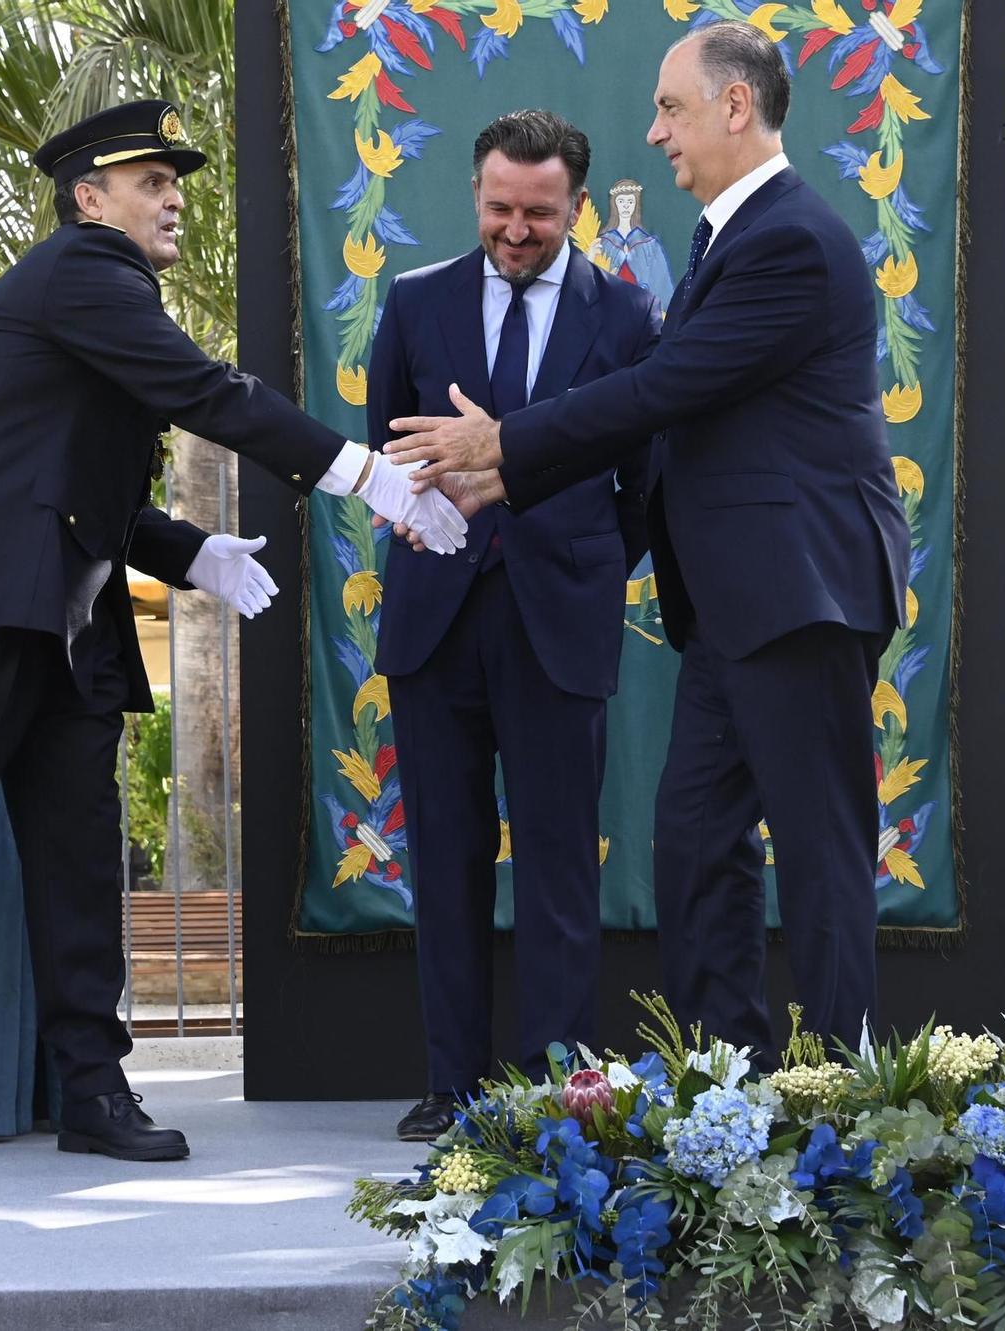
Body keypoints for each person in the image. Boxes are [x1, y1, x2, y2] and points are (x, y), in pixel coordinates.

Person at [0, 99, 466, 1170]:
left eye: (175, 185)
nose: (172, 201)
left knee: (77, 864)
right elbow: (207, 392)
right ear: (87, 198)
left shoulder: (93, 297)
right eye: (151, 182)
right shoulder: (82, 276)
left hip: (65, 613)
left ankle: (92, 1089)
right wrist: (370, 477)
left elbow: (68, 473)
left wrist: (189, 549)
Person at [383, 25, 912, 1060]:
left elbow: (665, 388)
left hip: (800, 592)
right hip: (731, 607)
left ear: (733, 107)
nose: (652, 130)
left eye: (669, 108)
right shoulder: (729, 236)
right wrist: (506, 462)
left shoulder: (790, 239)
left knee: (819, 855)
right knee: (694, 846)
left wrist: (505, 442)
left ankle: (850, 1094)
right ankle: (728, 1082)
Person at [369, 112, 660, 1141]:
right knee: (441, 859)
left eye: (538, 212)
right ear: (475, 196)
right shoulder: (413, 305)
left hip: (558, 623)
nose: (516, 229)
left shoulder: (626, 319)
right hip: (433, 624)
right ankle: (451, 1082)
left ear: (576, 206)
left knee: (555, 862)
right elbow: (384, 450)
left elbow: (641, 486)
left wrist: (577, 563)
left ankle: (554, 1084)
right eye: (499, 208)